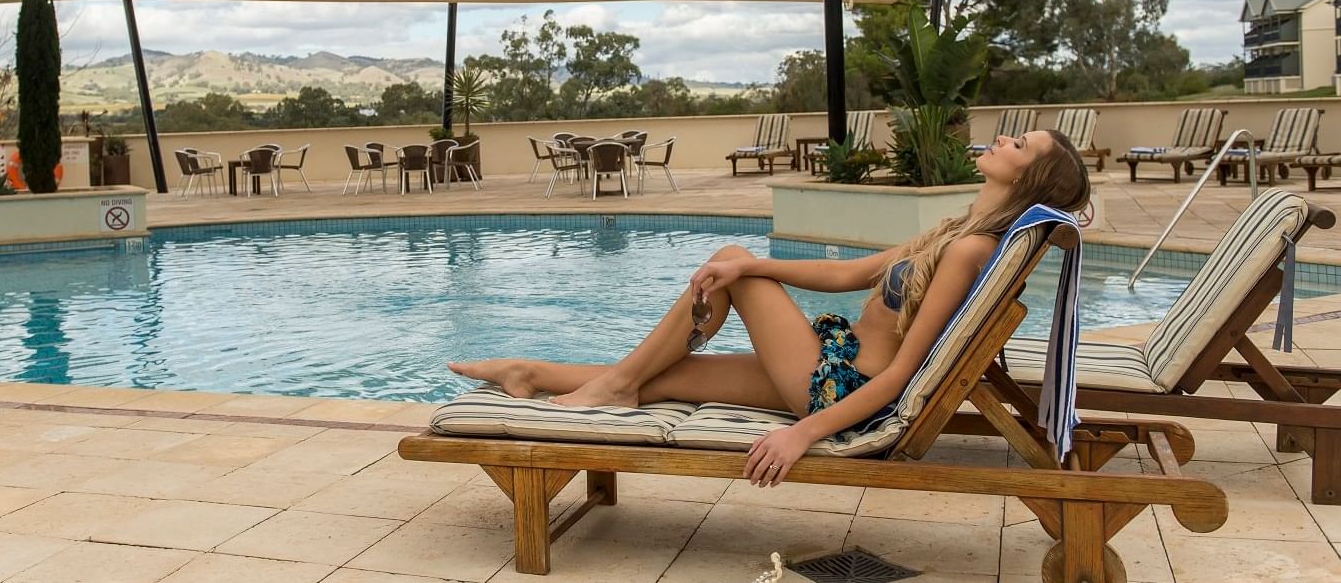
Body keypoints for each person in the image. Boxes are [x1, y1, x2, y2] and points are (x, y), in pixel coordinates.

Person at [450, 129, 1090, 486]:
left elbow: (900, 378)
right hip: (827, 361)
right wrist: (754, 266)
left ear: (1026, 178)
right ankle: (531, 375)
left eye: (1019, 144)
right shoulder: (954, 230)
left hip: (835, 388)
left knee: (727, 258)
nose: (1003, 137)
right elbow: (847, 274)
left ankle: (613, 385)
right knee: (668, 377)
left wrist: (801, 432)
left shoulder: (968, 251)